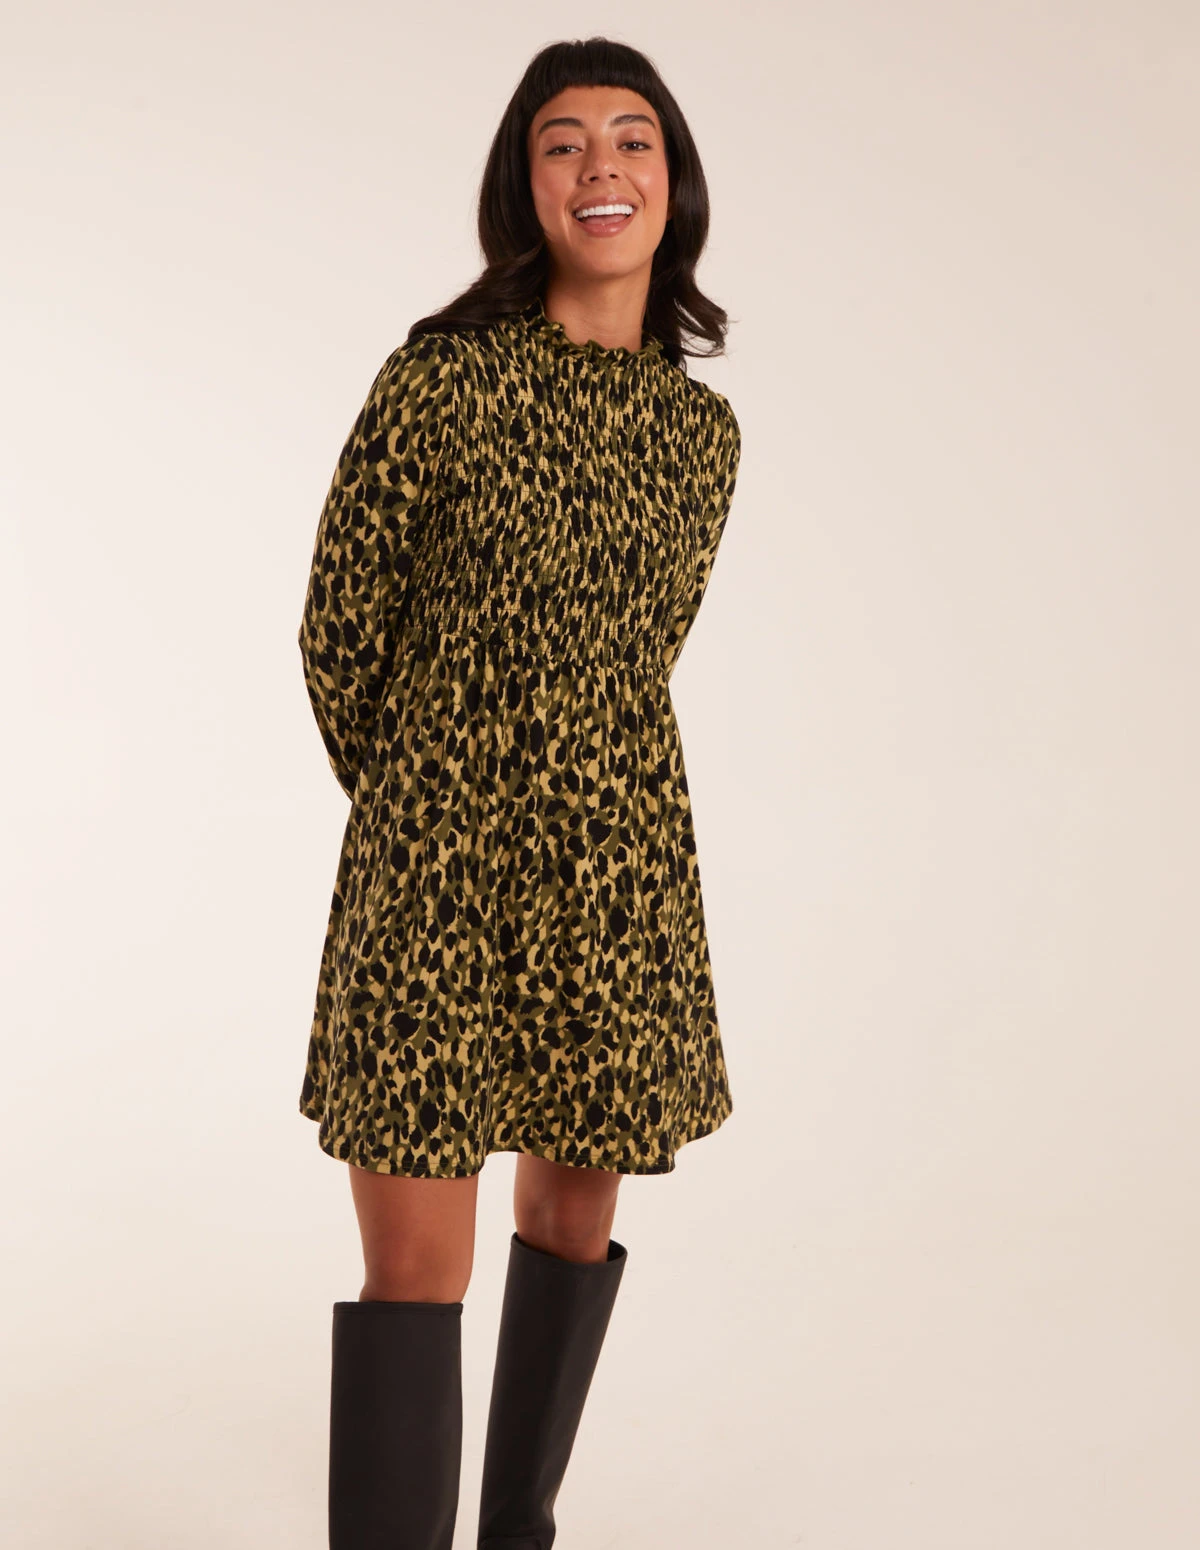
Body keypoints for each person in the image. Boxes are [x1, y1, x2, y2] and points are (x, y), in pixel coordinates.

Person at [296, 35, 744, 1550]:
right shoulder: (442, 378)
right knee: (416, 1268)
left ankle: (517, 1535)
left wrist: (566, 802)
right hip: (432, 872)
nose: (600, 168)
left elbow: (637, 658)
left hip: (612, 874)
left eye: (632, 139)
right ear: (526, 185)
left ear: (673, 184)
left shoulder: (699, 436)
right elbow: (341, 632)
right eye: (564, 143)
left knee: (572, 1215)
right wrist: (429, 803)